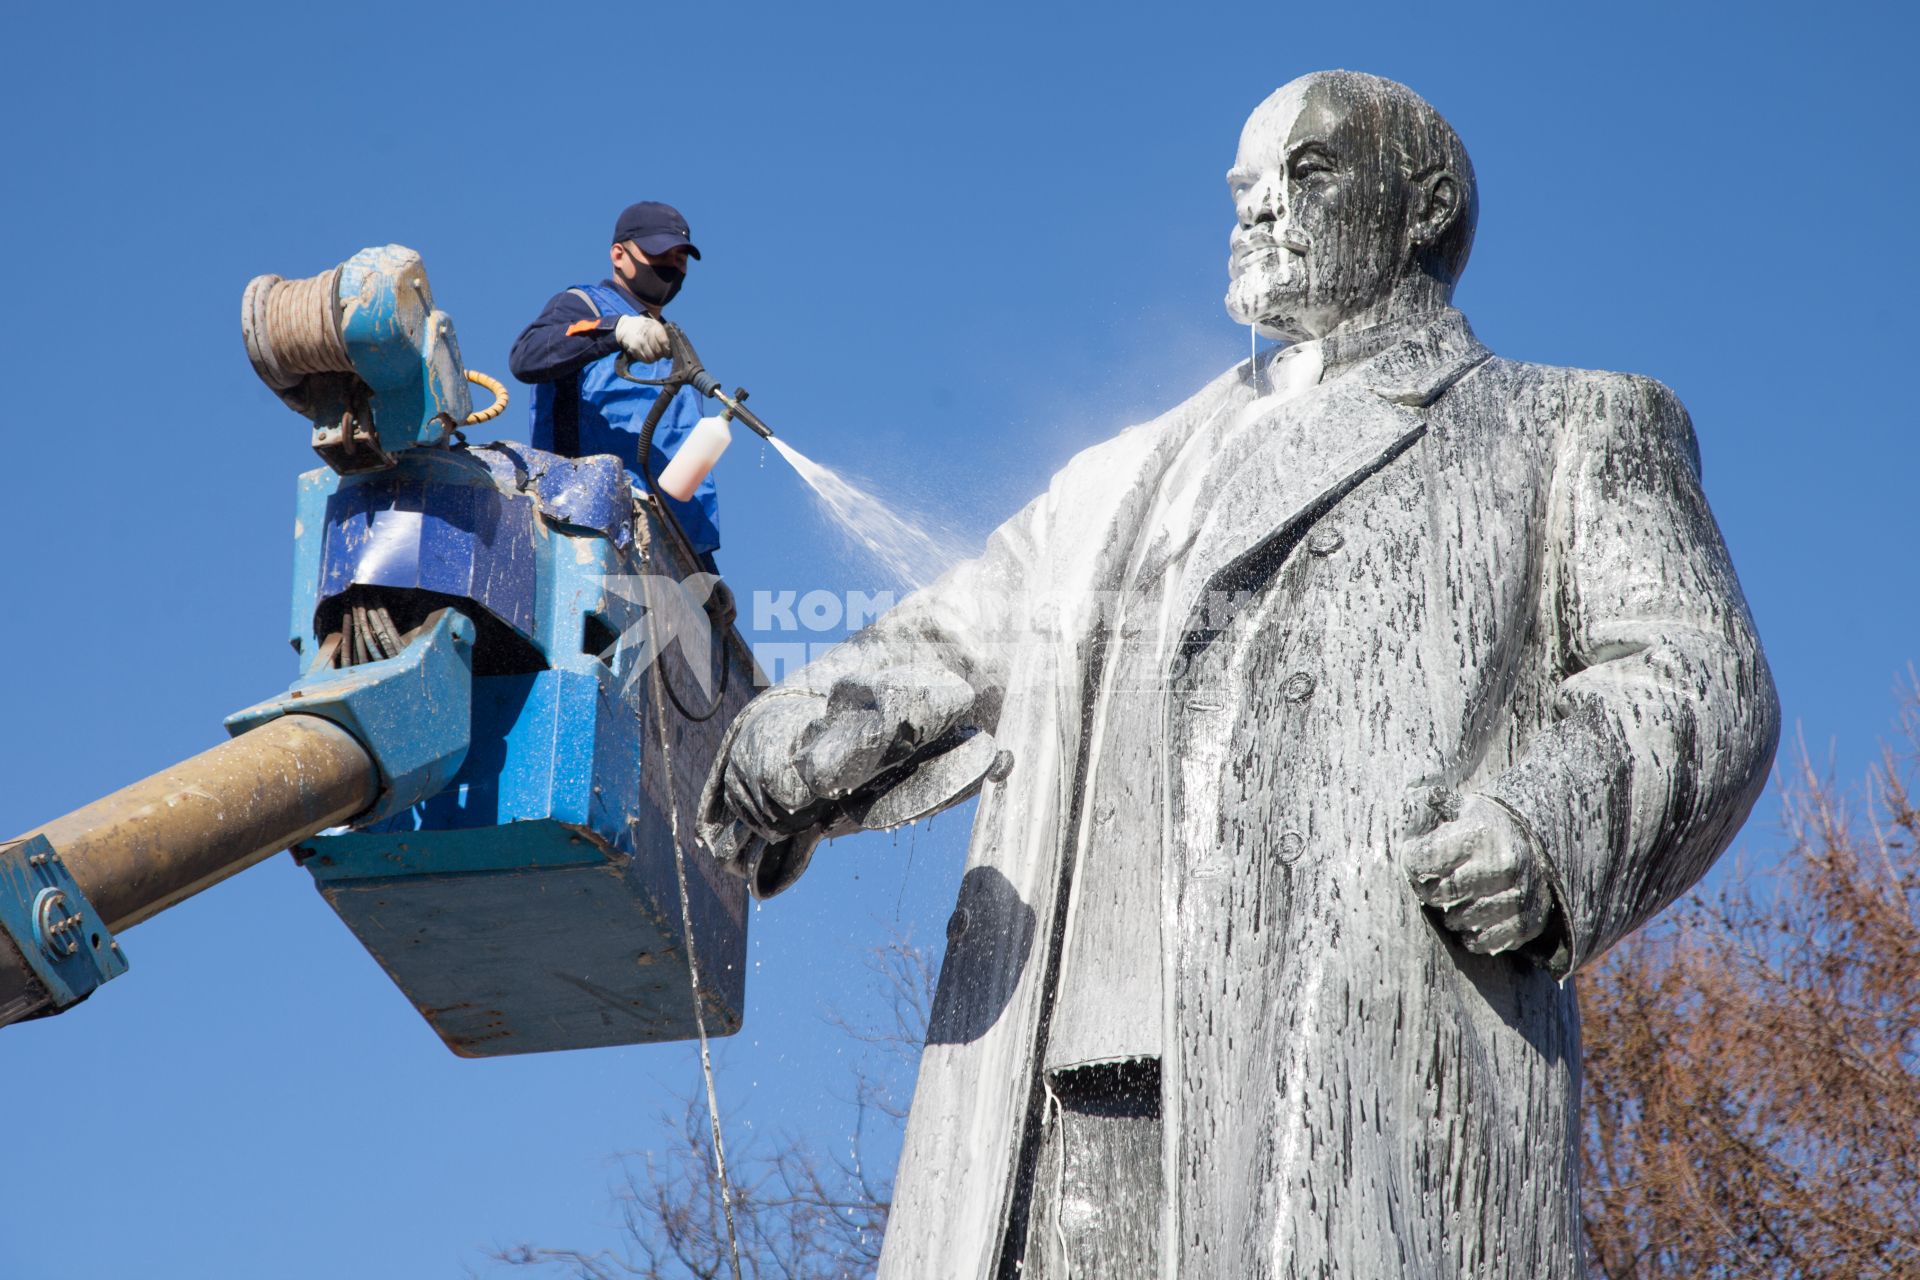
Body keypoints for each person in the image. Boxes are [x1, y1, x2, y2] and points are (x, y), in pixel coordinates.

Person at [711, 71, 1780, 1278]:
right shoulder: (1118, 475)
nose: (1257, 207)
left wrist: (1542, 822)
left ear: (1424, 206)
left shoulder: (1567, 422)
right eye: (1243, 185)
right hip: (1047, 1094)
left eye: (1304, 173)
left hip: (1349, 1071)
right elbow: (958, 632)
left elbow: (1695, 669)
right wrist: (805, 725)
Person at [509, 201, 721, 564]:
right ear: (619, 255)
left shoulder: (676, 348)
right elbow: (526, 356)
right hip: (586, 523)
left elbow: (684, 471)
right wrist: (613, 329)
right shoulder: (584, 306)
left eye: (680, 257)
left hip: (664, 551)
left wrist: (704, 570)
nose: (671, 266)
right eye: (659, 253)